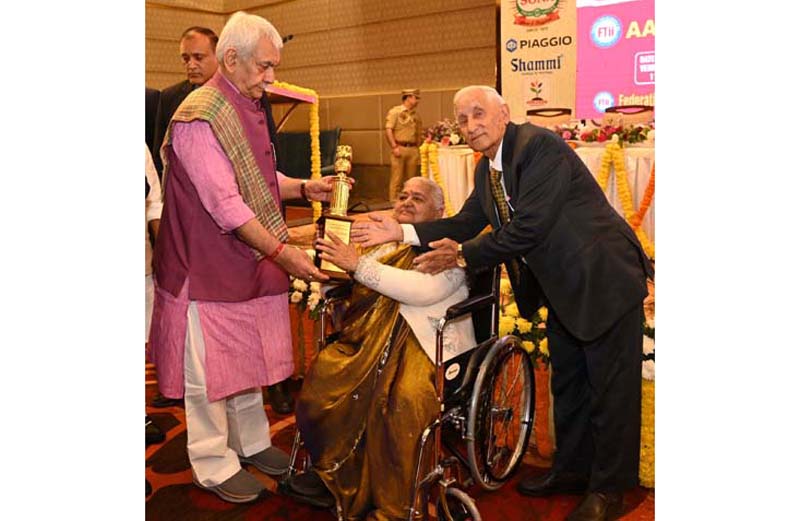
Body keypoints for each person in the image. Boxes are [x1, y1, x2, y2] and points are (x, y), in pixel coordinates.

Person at [352, 85, 654, 521]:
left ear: (503, 115)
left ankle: (609, 491)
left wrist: (461, 254)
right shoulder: (486, 170)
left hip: (602, 277)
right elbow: (466, 220)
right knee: (569, 384)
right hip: (563, 287)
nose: (470, 126)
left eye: (479, 114)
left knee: (610, 390)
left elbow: (530, 226)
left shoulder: (538, 147)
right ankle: (570, 470)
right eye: (462, 119)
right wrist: (400, 233)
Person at [149, 11, 348, 504]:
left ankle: (252, 442)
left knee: (246, 359)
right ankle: (213, 461)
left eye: (273, 66)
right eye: (264, 66)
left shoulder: (247, 102)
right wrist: (285, 254)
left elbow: (258, 180)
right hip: (205, 264)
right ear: (231, 59)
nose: (272, 77)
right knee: (210, 371)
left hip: (245, 259)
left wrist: (305, 186)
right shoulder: (200, 115)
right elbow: (225, 204)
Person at [282, 177, 476, 520]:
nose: (406, 202)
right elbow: (351, 285)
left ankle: (398, 503)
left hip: (425, 343)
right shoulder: (381, 243)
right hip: (369, 341)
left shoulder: (447, 245)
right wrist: (325, 267)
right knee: (326, 375)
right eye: (402, 195)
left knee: (404, 398)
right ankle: (331, 473)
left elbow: (421, 291)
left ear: (439, 211)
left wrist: (356, 265)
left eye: (418, 198)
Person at [151, 26, 219, 178]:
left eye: (198, 57)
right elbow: (159, 155)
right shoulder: (169, 97)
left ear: (218, 56)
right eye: (186, 58)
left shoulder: (236, 93)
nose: (191, 65)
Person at [385, 88, 423, 202]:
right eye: (415, 98)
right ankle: (393, 202)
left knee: (412, 179)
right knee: (397, 178)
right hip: (400, 147)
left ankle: (410, 200)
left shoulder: (416, 115)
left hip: (412, 149)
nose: (417, 101)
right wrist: (394, 146)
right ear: (408, 97)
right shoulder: (395, 112)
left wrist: (419, 147)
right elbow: (389, 129)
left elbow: (418, 133)